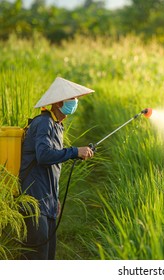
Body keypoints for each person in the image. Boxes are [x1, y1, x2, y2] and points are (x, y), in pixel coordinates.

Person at [19, 77, 95, 260]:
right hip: (34, 199)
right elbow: (43, 156)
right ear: (59, 102)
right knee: (37, 257)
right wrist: (75, 151)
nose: (75, 103)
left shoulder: (57, 125)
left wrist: (55, 198)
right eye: (72, 99)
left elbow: (51, 168)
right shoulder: (44, 122)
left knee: (48, 255)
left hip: (48, 201)